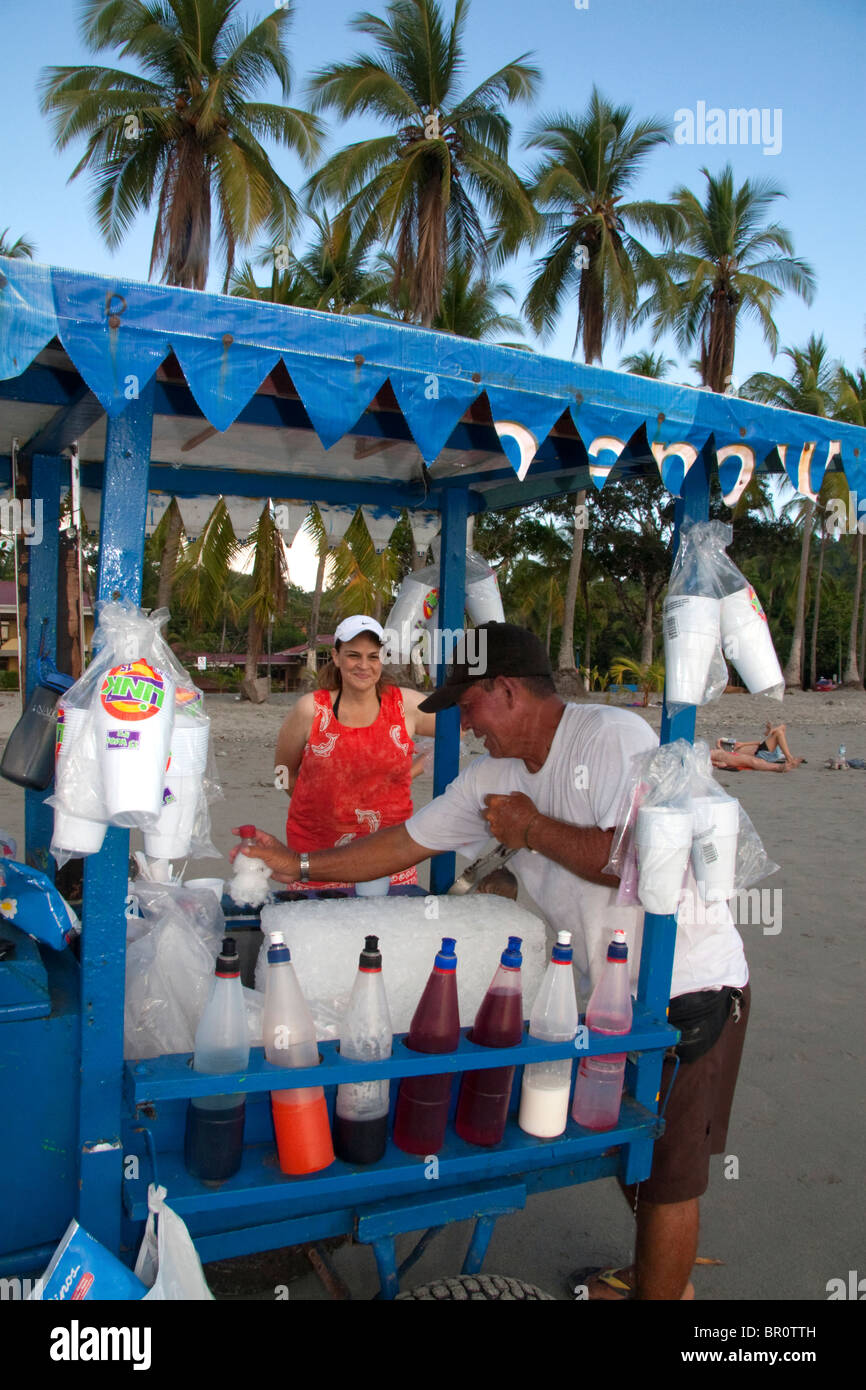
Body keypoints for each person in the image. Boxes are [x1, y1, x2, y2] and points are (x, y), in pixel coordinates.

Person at [236, 622, 750, 1301]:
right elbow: (404, 844)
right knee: (635, 1150)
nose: (466, 724)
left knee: (668, 1177)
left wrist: (531, 829)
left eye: (470, 706)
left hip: (687, 984)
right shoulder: (495, 776)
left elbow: (642, 861)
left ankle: (667, 1294)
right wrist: (297, 863)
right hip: (612, 989)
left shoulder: (612, 739)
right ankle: (660, 1278)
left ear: (505, 690)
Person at [273, 615, 437, 889]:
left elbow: (459, 728)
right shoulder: (309, 710)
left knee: (385, 930)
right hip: (318, 859)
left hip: (388, 857)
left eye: (373, 656)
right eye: (353, 655)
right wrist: (319, 805)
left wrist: (413, 770)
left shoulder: (404, 706)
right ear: (336, 657)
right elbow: (281, 773)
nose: (364, 665)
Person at [711, 721, 803, 773]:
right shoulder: (728, 755)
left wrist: (743, 744)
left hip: (761, 749)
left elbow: (758, 743)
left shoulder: (736, 747)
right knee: (779, 732)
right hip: (761, 754)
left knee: (782, 727)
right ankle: (790, 758)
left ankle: (770, 732)